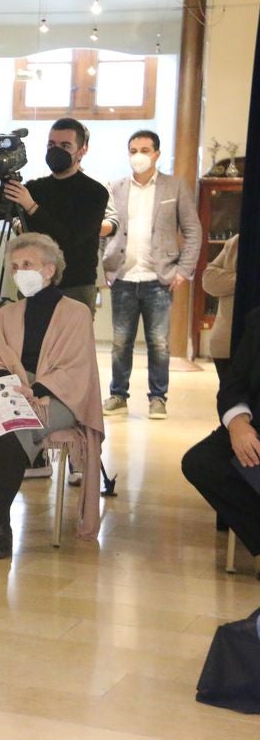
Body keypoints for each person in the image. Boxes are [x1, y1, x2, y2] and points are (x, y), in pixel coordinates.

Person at [0, 233, 104, 559]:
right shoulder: (6, 314)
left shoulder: (77, 313)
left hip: (57, 396)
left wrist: (34, 390)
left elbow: (76, 367)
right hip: (11, 388)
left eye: (27, 264)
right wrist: (7, 383)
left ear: (49, 270)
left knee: (14, 427)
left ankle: (0, 521)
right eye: (14, 266)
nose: (19, 271)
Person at [101, 130, 201, 420]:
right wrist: (105, 265)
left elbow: (193, 230)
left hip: (160, 278)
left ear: (156, 153)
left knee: (159, 343)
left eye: (145, 150)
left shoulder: (175, 187)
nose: (139, 156)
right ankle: (118, 396)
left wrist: (184, 270)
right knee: (120, 342)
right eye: (133, 150)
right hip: (123, 276)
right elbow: (102, 230)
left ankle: (158, 398)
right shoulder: (115, 187)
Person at [0, 117, 116, 315]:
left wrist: (32, 207)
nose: (56, 151)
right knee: (30, 334)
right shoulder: (36, 188)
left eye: (65, 146)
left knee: (71, 335)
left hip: (74, 286)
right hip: (33, 282)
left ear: (82, 150)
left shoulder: (95, 193)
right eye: (51, 145)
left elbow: (69, 239)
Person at [182, 306, 260, 559]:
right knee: (202, 462)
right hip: (255, 429)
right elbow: (233, 383)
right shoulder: (257, 319)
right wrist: (238, 423)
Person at [202, 234, 240, 385]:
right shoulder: (237, 241)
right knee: (230, 396)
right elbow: (209, 279)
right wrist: (245, 280)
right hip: (226, 343)